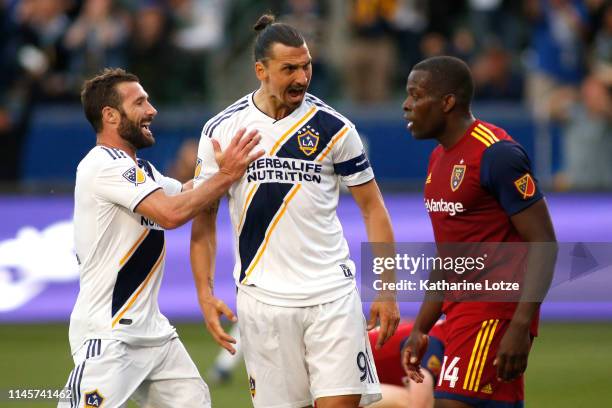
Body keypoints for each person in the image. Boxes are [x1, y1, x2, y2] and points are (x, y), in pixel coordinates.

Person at [190, 14, 400, 408]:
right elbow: (204, 219)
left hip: (332, 296)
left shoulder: (334, 128)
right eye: (289, 69)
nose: (302, 78)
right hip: (263, 302)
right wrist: (205, 293)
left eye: (306, 66)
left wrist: (386, 289)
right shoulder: (221, 130)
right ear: (260, 71)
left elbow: (373, 209)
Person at [59, 68, 262, 408]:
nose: (152, 110)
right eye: (140, 102)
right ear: (110, 115)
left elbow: (189, 195)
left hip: (153, 335)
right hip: (109, 335)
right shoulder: (102, 165)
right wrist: (226, 175)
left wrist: (220, 170)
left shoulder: (145, 173)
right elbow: (171, 214)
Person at [400, 56, 557, 407]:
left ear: (447, 102)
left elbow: (544, 242)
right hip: (458, 311)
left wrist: (519, 327)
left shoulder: (496, 154)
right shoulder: (437, 158)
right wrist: (422, 328)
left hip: (494, 310)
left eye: (415, 95)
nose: (406, 104)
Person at [369, 321, 446, 408]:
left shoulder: (436, 330)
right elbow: (420, 405)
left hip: (360, 381)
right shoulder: (432, 340)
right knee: (422, 399)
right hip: (353, 383)